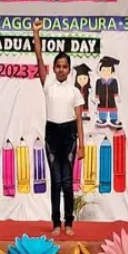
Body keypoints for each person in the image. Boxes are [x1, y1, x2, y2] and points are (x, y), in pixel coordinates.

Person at [33, 19, 85, 236]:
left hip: (69, 136)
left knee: (67, 181)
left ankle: (69, 223)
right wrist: (36, 33)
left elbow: (79, 120)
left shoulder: (75, 91)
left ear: (69, 70)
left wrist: (82, 145)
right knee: (56, 180)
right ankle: (56, 223)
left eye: (64, 66)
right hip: (52, 135)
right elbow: (39, 57)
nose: (61, 69)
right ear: (54, 69)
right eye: (58, 66)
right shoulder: (48, 85)